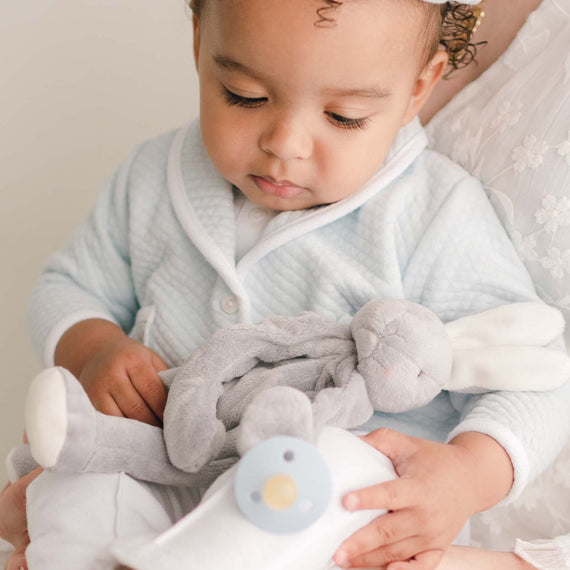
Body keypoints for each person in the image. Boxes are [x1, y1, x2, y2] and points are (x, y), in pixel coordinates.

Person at [1, 0, 569, 569]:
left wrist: (468, 475)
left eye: (343, 116)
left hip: (325, 506)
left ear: (418, 89)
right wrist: (94, 346)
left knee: (327, 465)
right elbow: (68, 285)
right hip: (163, 468)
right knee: (75, 484)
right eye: (245, 96)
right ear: (200, 41)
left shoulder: (432, 215)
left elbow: (536, 377)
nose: (286, 144)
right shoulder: (153, 176)